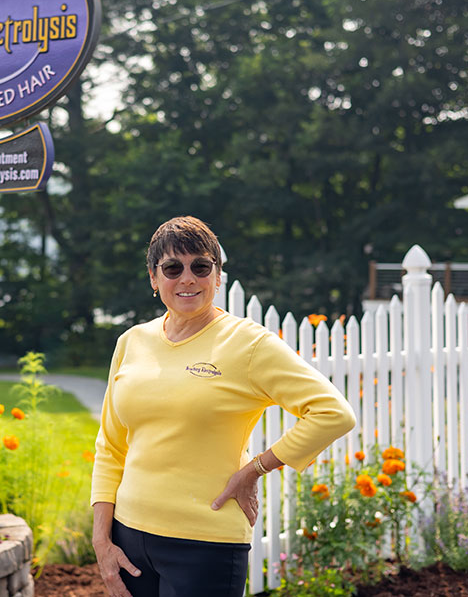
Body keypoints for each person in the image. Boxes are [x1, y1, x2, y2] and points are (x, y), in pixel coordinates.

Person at [91, 216, 356, 597]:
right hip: (129, 538)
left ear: (217, 277)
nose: (187, 279)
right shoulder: (132, 342)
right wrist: (102, 541)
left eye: (201, 266)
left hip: (205, 544)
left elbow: (333, 413)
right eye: (172, 268)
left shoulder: (248, 344)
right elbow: (110, 447)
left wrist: (256, 468)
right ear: (153, 277)